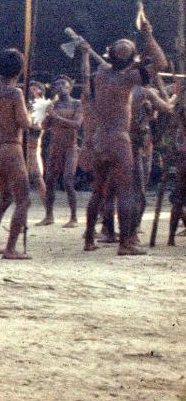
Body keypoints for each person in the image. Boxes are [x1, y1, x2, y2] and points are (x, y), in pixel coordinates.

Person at [82, 34, 171, 254]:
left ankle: (89, 240)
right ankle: (126, 243)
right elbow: (161, 63)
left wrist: (85, 55)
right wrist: (149, 36)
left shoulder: (101, 74)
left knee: (98, 191)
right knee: (125, 192)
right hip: (119, 139)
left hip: (100, 139)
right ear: (132, 60)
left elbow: (87, 75)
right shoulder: (129, 78)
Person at [0, 49, 31, 260]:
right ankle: (10, 248)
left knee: (5, 198)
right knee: (23, 200)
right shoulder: (15, 93)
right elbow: (24, 122)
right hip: (12, 147)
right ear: (19, 71)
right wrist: (39, 117)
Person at [39, 76, 82, 227]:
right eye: (57, 84)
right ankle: (49, 216)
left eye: (63, 84)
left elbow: (76, 124)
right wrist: (46, 113)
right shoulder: (53, 106)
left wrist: (55, 116)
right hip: (55, 147)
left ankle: (74, 218)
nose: (60, 86)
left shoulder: (77, 104)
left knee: (68, 180)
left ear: (70, 87)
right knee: (50, 181)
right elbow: (44, 126)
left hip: (70, 147)